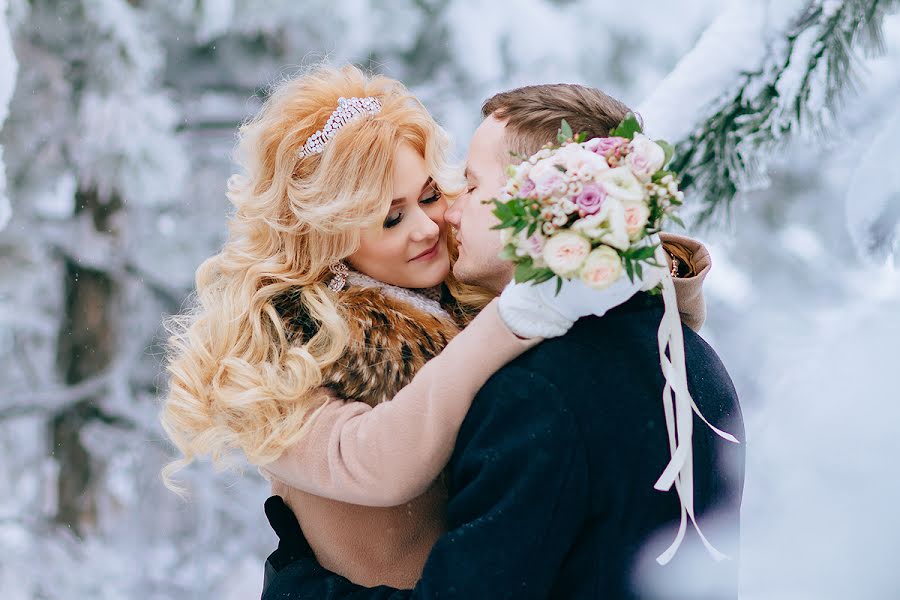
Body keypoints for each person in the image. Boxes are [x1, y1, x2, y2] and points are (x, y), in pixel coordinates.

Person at [260, 83, 745, 599]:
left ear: (537, 203)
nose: (446, 214)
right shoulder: (694, 360)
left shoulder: (534, 394)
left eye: (467, 187)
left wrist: (300, 586)